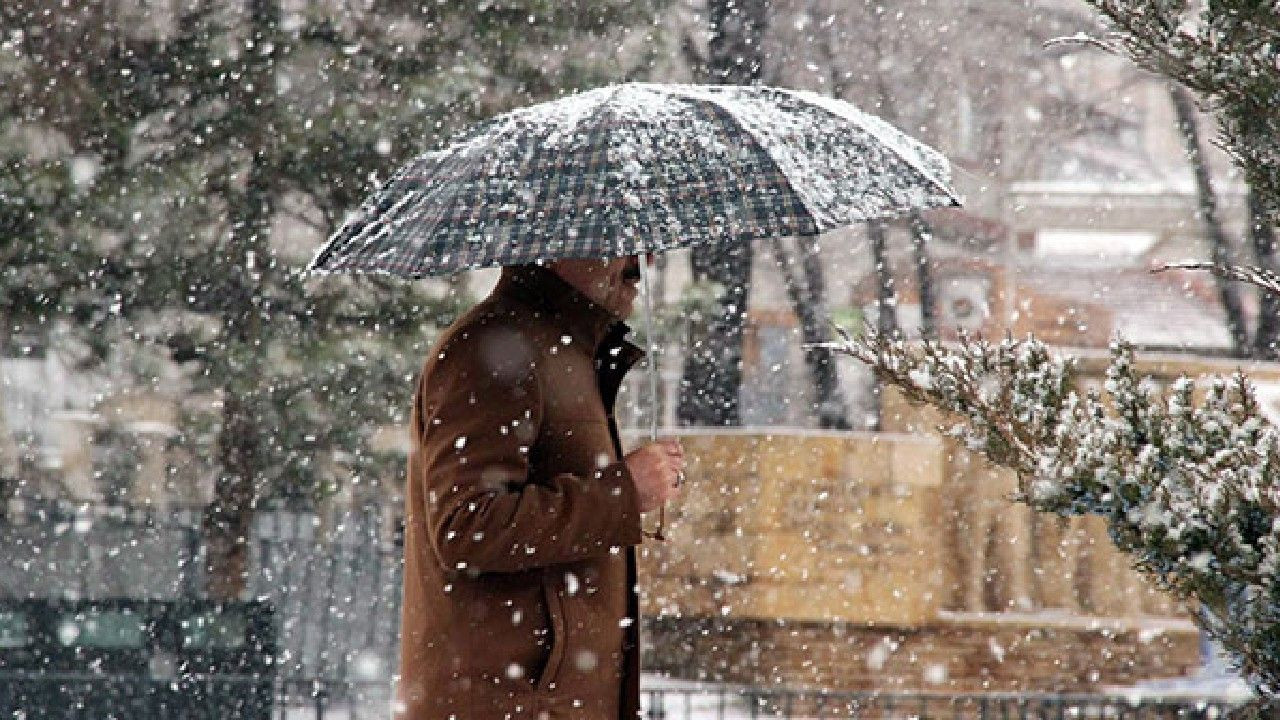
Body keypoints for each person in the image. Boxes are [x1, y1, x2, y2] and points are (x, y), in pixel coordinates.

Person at [396, 256, 685, 719]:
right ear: (560, 244)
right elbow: (466, 528)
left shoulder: (562, 349)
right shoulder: (492, 348)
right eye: (621, 240)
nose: (644, 261)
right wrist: (624, 494)